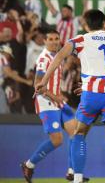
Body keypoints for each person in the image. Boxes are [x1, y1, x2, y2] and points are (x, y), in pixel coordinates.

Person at [35, 9, 105, 183]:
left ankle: (77, 178)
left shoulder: (81, 39)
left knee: (79, 134)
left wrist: (43, 81)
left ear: (86, 25)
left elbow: (58, 57)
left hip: (91, 95)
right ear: (104, 24)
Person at [20, 30, 88, 183]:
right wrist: (54, 97)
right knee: (57, 140)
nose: (54, 42)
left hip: (57, 101)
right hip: (46, 101)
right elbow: (38, 84)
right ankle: (28, 164)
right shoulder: (44, 58)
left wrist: (59, 96)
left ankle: (71, 171)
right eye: (50, 39)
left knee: (76, 132)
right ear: (44, 41)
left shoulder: (57, 56)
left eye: (56, 39)